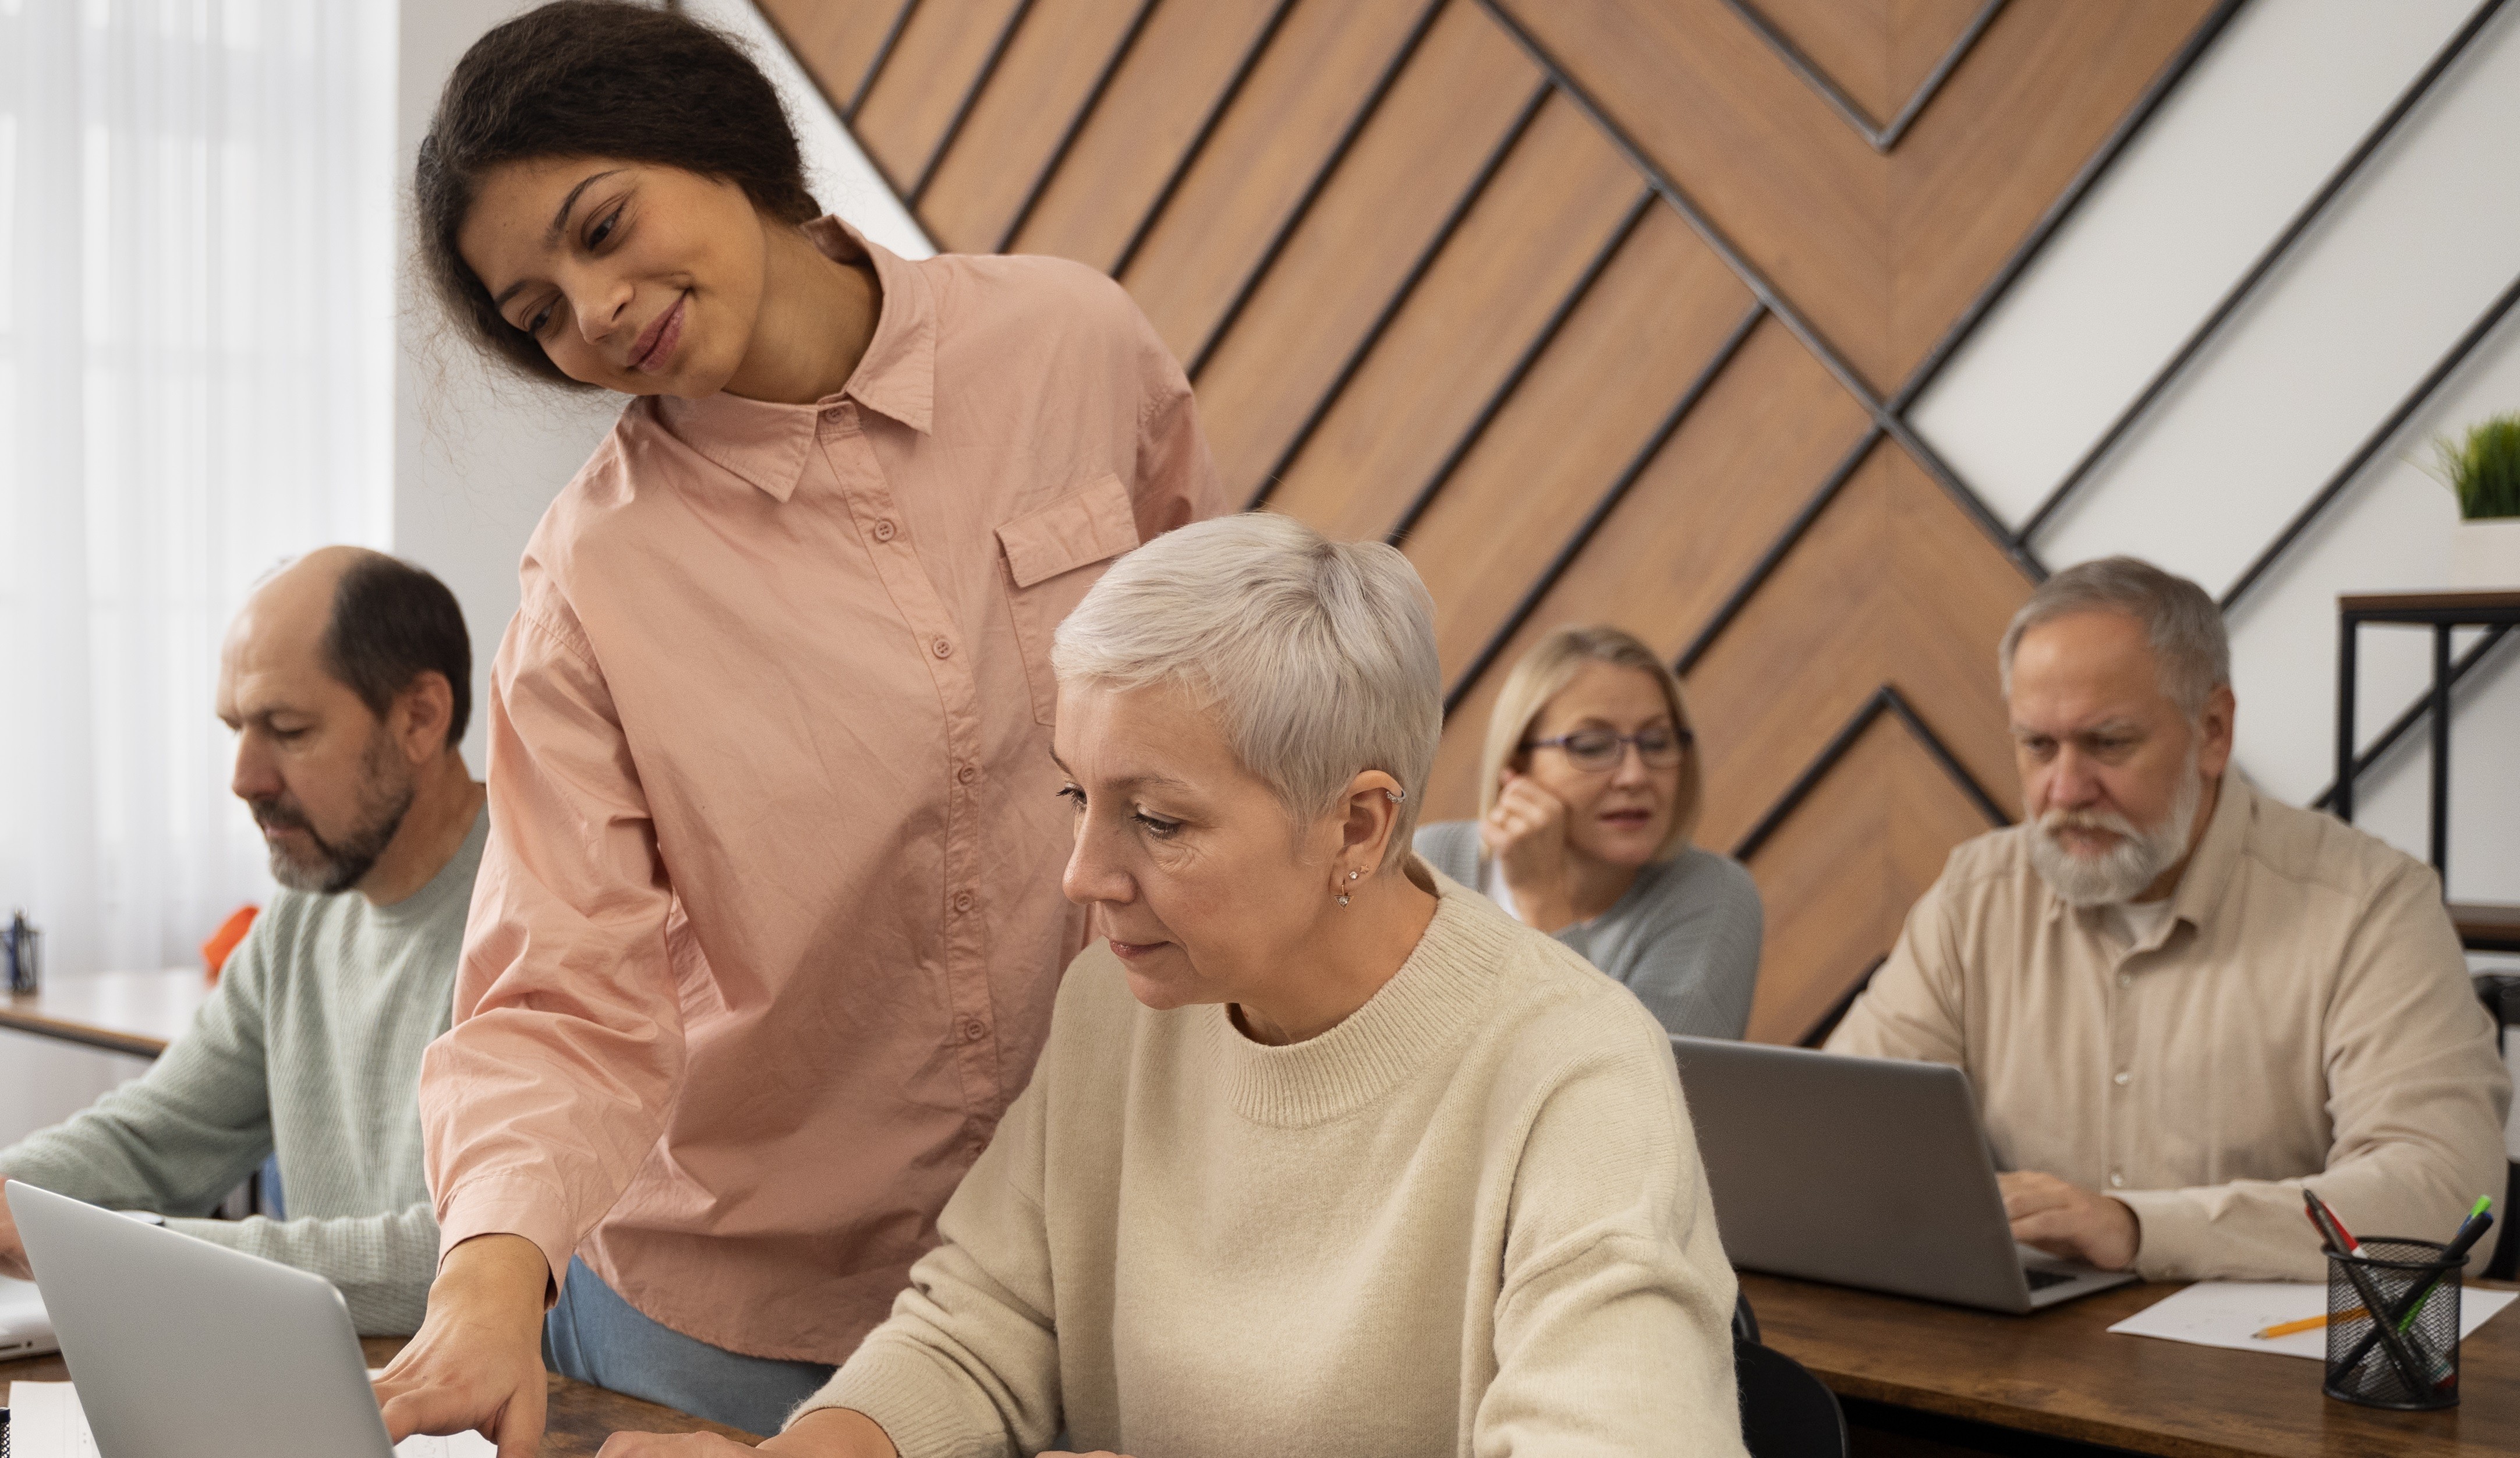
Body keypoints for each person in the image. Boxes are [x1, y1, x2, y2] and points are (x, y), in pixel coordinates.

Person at [377, 2, 1224, 1447]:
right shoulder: (593, 580)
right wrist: (485, 1282)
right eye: (537, 313)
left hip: (1105, 1247)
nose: (592, 313)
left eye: (599, 226)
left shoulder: (1074, 344)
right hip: (747, 1320)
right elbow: (559, 994)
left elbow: (1226, 703)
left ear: (714, 138)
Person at [596, 513, 1745, 1458]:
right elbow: (981, 1325)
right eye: (1076, 797)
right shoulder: (1123, 1004)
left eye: (1156, 820)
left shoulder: (1576, 1073)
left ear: (1356, 823)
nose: (1084, 875)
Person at [1828, 555, 2510, 1282]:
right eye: (2036, 745)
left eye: (2107, 742)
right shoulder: (1975, 894)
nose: (2063, 786)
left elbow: (2444, 1199)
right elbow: (1833, 1131)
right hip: (2008, 1362)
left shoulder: (2371, 905)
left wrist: (2138, 1228)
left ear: (2212, 730)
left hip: (2260, 1378)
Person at [0, 548, 487, 1335]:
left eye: (288, 730)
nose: (243, 776)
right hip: (334, 1390)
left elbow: (466, 1259)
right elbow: (156, 1138)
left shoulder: (538, 921)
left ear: (420, 718)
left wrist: (138, 1252)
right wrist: (10, 1195)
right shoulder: (301, 915)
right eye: (235, 729)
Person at [1415, 625, 1762, 1039]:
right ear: (1518, 765)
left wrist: (1543, 902)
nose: (1635, 776)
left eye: (1656, 743)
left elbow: (1644, 1090)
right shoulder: (1432, 862)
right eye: (1592, 746)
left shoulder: (1713, 894)